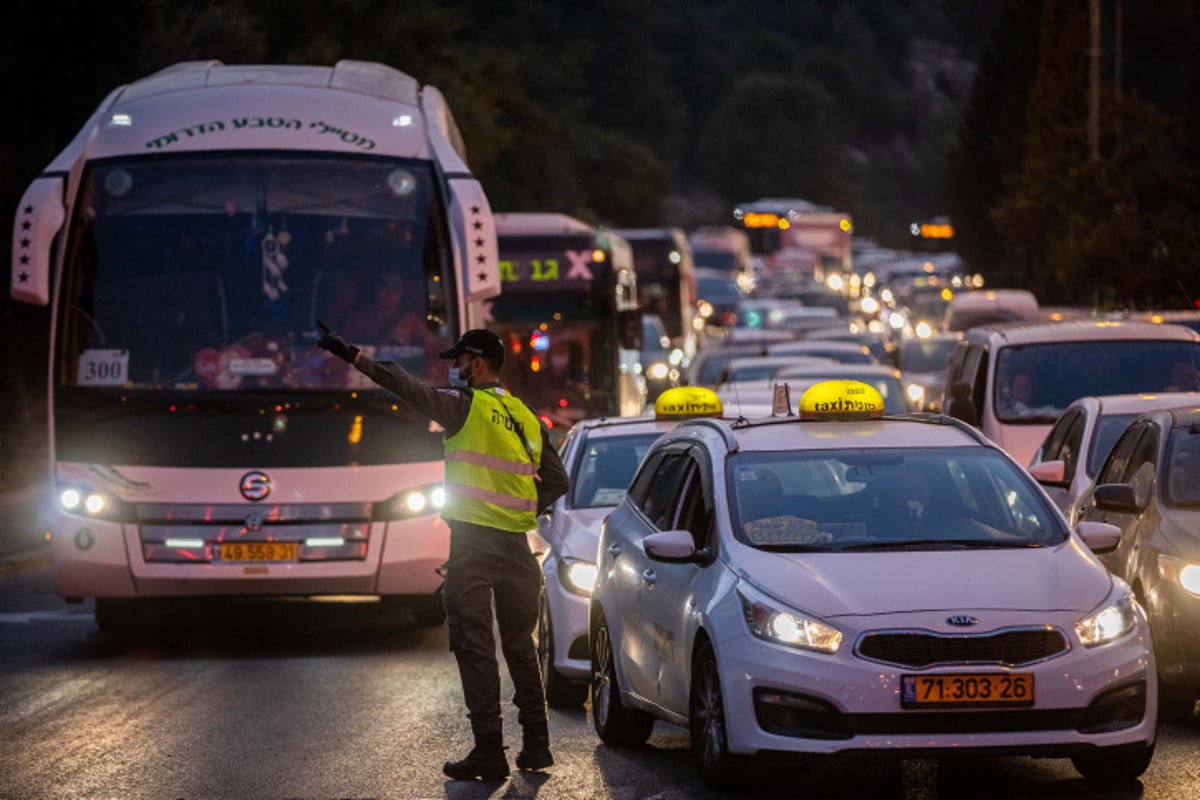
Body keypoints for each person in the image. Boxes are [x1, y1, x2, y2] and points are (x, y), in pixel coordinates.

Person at [317, 323, 570, 782]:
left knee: (474, 646)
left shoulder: (464, 406)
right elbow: (557, 481)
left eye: (458, 361)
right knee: (520, 647)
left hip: (473, 545)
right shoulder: (526, 415)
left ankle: (489, 752)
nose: (454, 369)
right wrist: (520, 509)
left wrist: (354, 357)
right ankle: (537, 745)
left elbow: (407, 388)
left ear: (477, 362)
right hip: (517, 547)